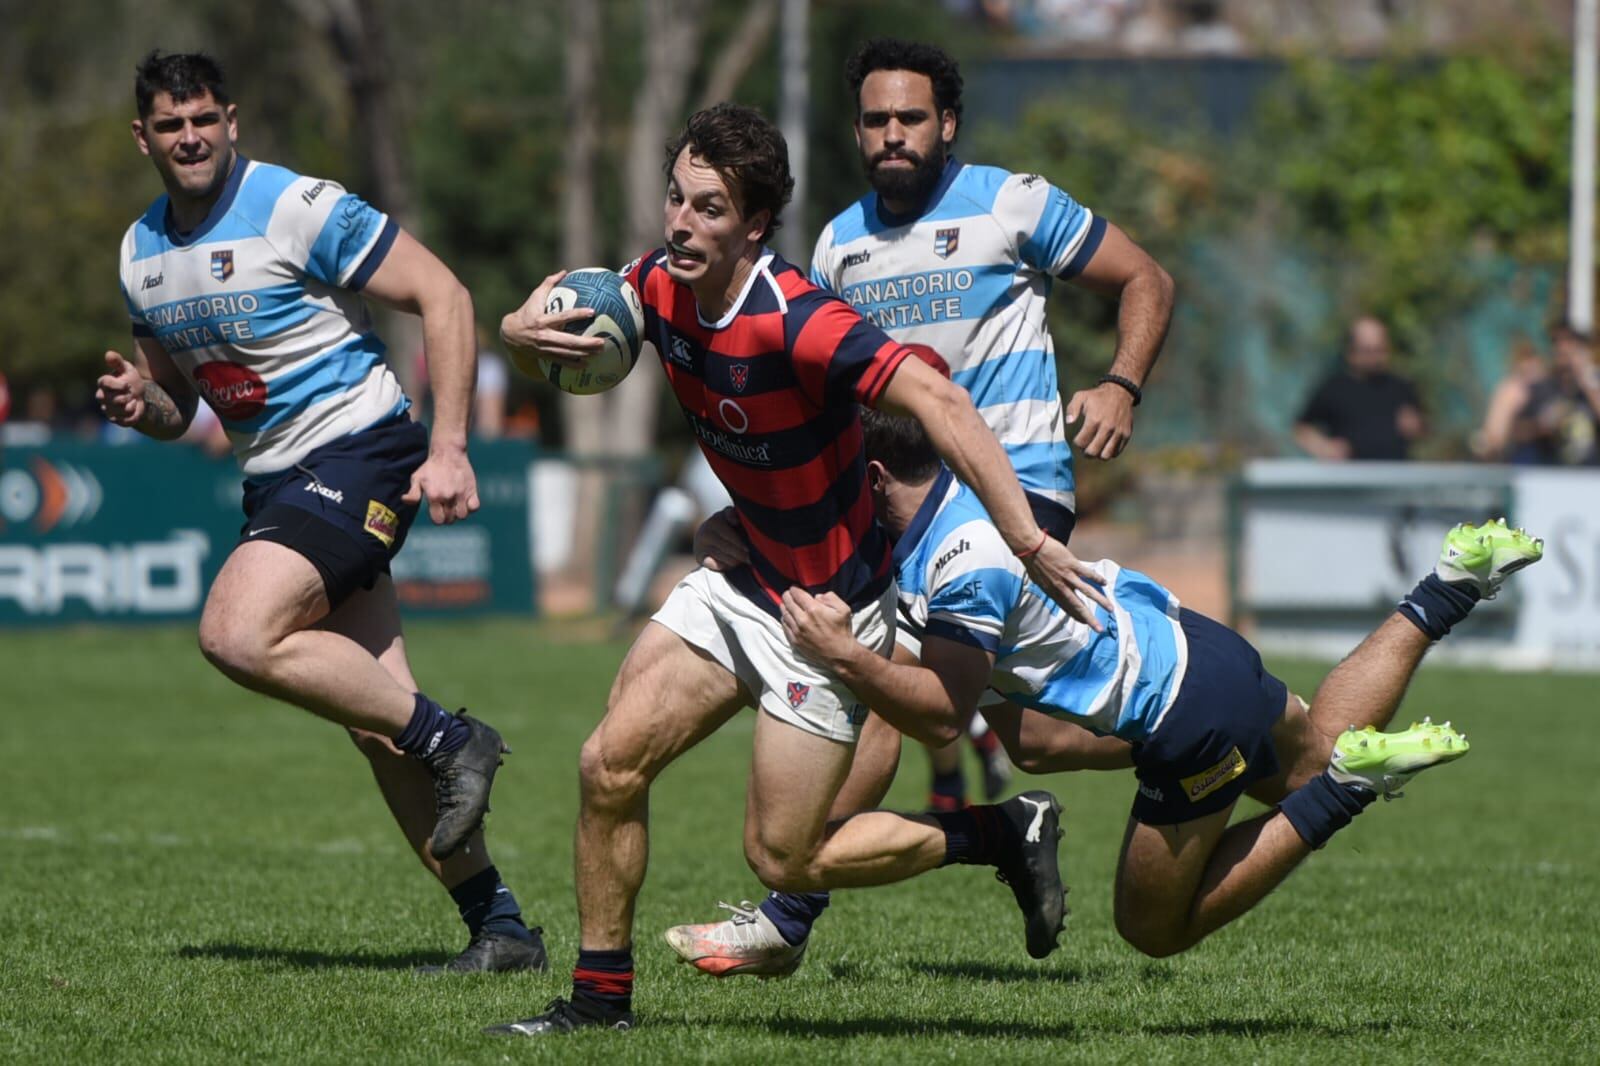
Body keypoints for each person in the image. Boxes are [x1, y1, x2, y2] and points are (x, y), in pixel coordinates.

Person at [487, 102, 1113, 1037]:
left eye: (707, 208)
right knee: (608, 765)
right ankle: (598, 1003)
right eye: (674, 199)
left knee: (784, 858)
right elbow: (538, 314)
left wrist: (1025, 536)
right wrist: (516, 331)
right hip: (740, 580)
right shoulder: (652, 288)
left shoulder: (799, 320)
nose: (680, 224)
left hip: (831, 611)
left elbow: (937, 397)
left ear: (755, 223)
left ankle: (994, 832)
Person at [666, 34, 1174, 970]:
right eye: (874, 120)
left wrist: (1122, 385)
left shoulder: (1011, 203)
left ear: (948, 124)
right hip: (890, 506)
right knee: (1032, 736)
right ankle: (1191, 731)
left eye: (910, 117)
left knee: (876, 679)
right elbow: (813, 399)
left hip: (1009, 495)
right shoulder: (836, 243)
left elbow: (1146, 276)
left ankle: (785, 921)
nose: (891, 134)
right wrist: (757, 510)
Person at [780, 409, 1541, 959]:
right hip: (1200, 646)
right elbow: (1032, 739)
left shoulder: (956, 565)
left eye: (839, 476)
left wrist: (845, 656)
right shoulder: (976, 499)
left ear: (873, 475)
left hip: (1188, 717)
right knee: (1300, 770)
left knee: (1151, 929)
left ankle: (1348, 788)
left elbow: (943, 717)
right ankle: (1447, 586)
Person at [97, 51, 542, 973]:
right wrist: (148, 409)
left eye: (204, 119)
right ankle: (501, 931)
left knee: (235, 631)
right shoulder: (141, 255)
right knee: (377, 725)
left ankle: (457, 740)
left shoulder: (292, 207)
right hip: (276, 479)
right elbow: (185, 405)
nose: (190, 138)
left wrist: (450, 445)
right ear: (143, 137)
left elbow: (443, 295)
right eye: (170, 126)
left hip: (360, 448)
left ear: (232, 120)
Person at [1294, 316, 1425, 461]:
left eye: (1380, 350)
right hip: (1350, 478)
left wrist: (1415, 426)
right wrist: (1324, 447)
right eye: (1368, 351)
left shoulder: (1401, 387)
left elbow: (1421, 428)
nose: (1375, 358)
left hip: (1395, 476)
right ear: (1351, 352)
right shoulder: (1334, 388)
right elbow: (1302, 429)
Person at [1508, 323, 1600, 466]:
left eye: (1569, 342)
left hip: (1592, 479)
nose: (1562, 348)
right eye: (1556, 342)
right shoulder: (1540, 387)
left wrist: (1586, 380)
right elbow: (1514, 432)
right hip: (1551, 478)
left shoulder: (1594, 384)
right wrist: (1539, 427)